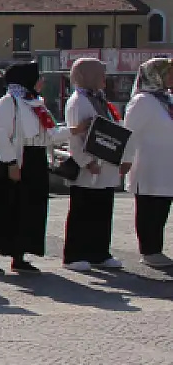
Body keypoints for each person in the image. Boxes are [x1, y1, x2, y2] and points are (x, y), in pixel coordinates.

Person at [0, 61, 66, 275]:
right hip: (14, 160)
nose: (41, 81)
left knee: (29, 207)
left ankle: (19, 254)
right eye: (38, 77)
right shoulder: (8, 103)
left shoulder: (36, 103)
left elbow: (50, 133)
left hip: (35, 159)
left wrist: (74, 131)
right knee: (1, 207)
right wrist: (11, 163)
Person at [61, 57, 126, 271]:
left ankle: (99, 253)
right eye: (100, 74)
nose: (104, 78)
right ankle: (74, 254)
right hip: (88, 168)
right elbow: (75, 137)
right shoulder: (78, 101)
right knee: (82, 211)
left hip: (105, 165)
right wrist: (87, 162)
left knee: (102, 210)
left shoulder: (99, 98)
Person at [121, 57, 172, 267]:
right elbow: (129, 132)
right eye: (168, 72)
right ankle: (149, 250)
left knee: (162, 207)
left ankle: (156, 249)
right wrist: (125, 160)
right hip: (148, 165)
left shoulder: (167, 99)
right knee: (149, 207)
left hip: (167, 165)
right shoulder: (142, 100)